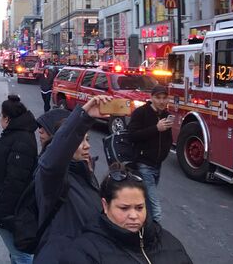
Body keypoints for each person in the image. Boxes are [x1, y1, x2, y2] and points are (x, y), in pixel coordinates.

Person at [59, 164, 192, 264]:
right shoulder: (84, 253)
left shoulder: (169, 242)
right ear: (105, 205)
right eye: (124, 208)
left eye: (139, 207)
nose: (134, 216)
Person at [34, 95, 111, 263]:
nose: (87, 146)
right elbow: (53, 161)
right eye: (80, 141)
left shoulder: (85, 173)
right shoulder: (52, 176)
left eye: (88, 140)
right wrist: (83, 117)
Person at [0, 95, 38, 264]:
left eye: (1, 115)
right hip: (8, 208)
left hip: (10, 211)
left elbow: (14, 183)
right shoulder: (17, 135)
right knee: (16, 253)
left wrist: (1, 215)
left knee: (20, 254)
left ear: (7, 118)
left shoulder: (20, 139)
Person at [128, 85, 172, 222]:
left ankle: (142, 230)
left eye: (164, 98)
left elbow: (167, 138)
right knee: (155, 209)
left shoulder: (165, 114)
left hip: (157, 165)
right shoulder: (141, 112)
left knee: (146, 202)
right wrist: (156, 128)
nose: (161, 101)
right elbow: (132, 135)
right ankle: (157, 238)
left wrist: (164, 152)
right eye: (158, 98)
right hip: (143, 164)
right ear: (151, 98)